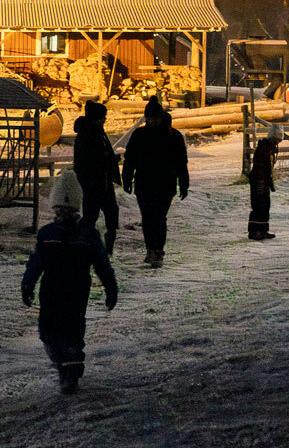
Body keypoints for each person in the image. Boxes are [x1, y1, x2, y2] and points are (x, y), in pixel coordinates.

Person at [22, 170, 118, 392]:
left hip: (52, 290)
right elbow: (102, 264)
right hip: (77, 289)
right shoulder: (88, 235)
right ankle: (71, 367)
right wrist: (110, 287)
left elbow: (36, 263)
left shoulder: (47, 234)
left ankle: (65, 366)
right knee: (73, 328)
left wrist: (28, 284)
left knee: (49, 329)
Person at [120, 95, 189, 268]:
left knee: (158, 217)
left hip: (164, 184)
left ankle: (157, 250)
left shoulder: (172, 136)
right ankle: (151, 249)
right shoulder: (141, 135)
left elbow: (181, 162)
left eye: (154, 118)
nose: (152, 121)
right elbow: (130, 160)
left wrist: (184, 182)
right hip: (145, 183)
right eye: (149, 118)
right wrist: (127, 179)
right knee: (148, 217)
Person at [71, 99, 120, 255]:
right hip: (94, 182)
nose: (104, 120)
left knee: (106, 214)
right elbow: (90, 159)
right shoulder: (89, 134)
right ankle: (84, 244)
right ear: (96, 119)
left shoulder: (96, 132)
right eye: (102, 117)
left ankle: (95, 244)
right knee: (93, 216)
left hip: (102, 181)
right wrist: (109, 159)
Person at [248, 124, 284, 241]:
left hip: (265, 180)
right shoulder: (263, 148)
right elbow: (259, 166)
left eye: (279, 140)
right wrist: (260, 182)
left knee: (265, 205)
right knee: (258, 205)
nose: (277, 142)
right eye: (276, 139)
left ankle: (263, 230)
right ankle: (254, 231)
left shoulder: (271, 148)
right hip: (259, 180)